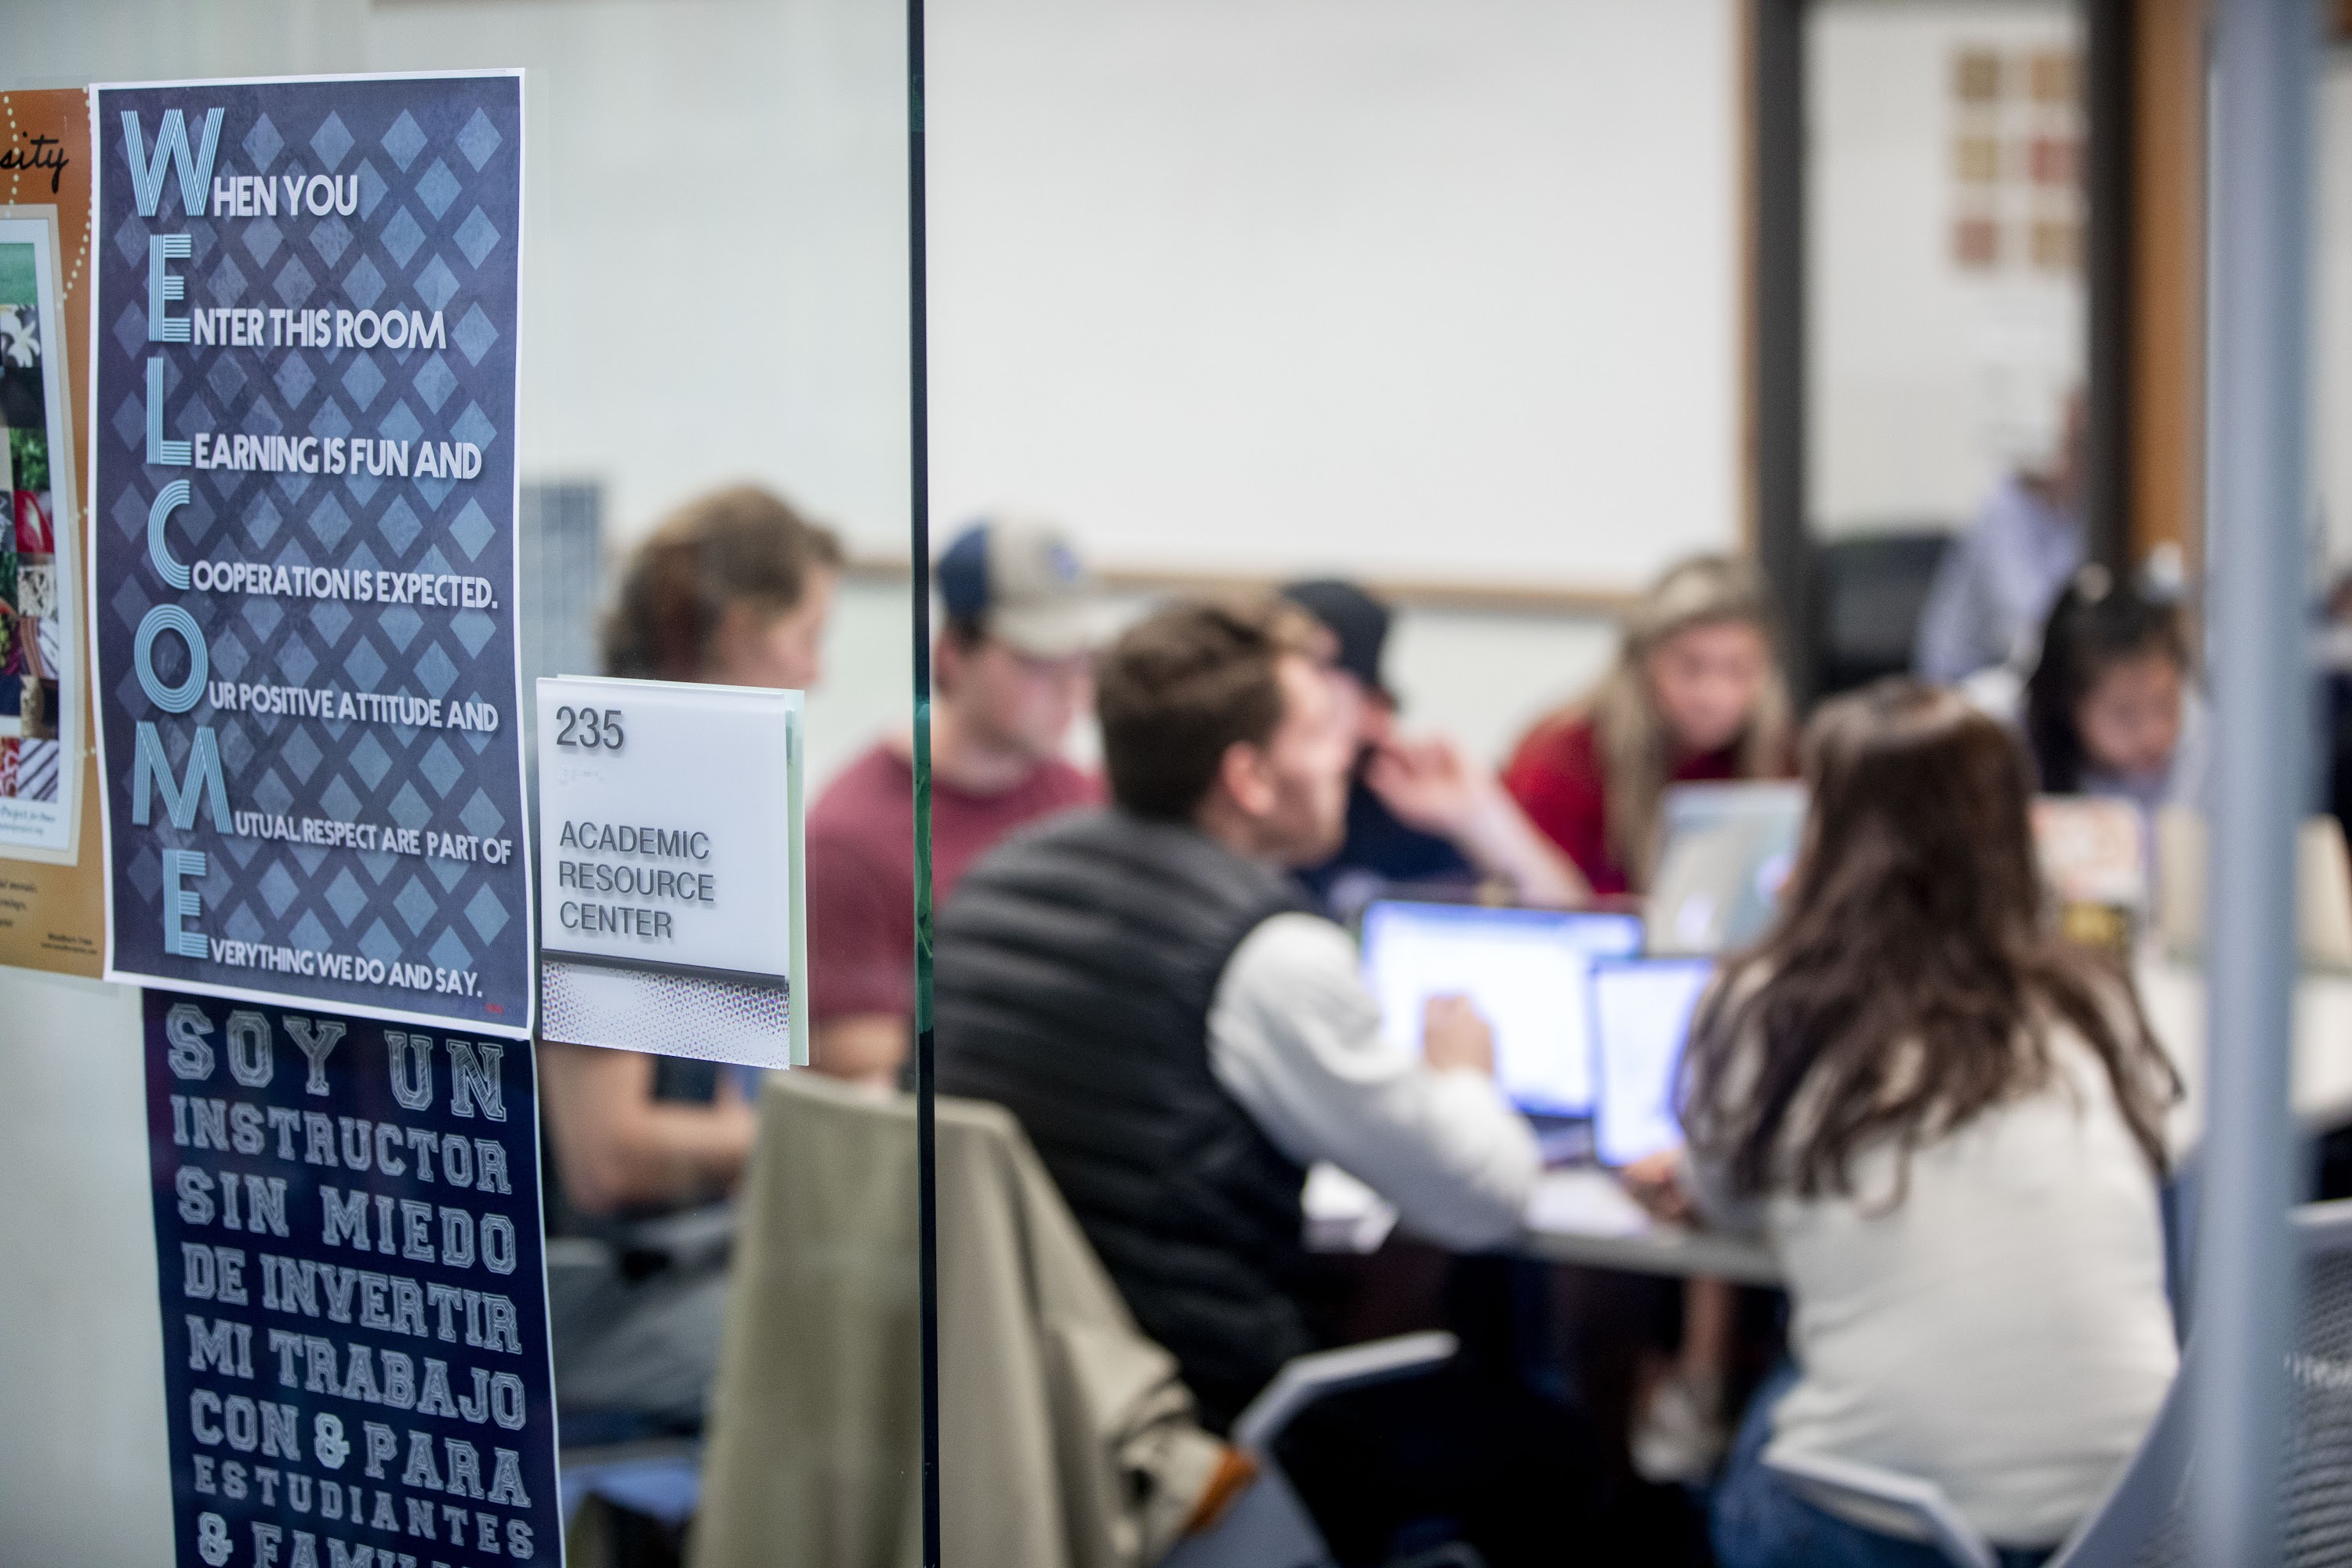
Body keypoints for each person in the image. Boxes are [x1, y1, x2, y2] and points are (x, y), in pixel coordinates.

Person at [935, 600, 1591, 1564]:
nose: (1345, 760)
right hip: (1196, 1421)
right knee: (1556, 1452)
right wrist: (1465, 1079)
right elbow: (1483, 1196)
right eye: (1323, 736)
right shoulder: (1269, 955)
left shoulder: (995, 881)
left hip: (1005, 1393)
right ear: (1247, 776)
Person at [1635, 680, 2179, 1567]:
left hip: (1893, 1528)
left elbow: (1726, 1201)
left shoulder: (1771, 1002)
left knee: (1756, 1440)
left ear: (1832, 835)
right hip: (2137, 1513)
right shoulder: (2090, 997)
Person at [536, 484, 843, 1436]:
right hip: (585, 1298)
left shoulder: (671, 787)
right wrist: (832, 1136)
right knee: (875, 1374)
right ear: (743, 632)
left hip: (659, 1259)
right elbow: (611, 1156)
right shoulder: (634, 798)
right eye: (809, 637)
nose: (818, 675)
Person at [805, 519, 1099, 1084]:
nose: (1072, 689)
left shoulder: (1087, 798)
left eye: (1082, 659)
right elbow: (853, 1066)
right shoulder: (849, 840)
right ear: (951, 655)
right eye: (1039, 660)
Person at [1281, 578, 1582, 916]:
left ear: (1375, 710)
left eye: (1317, 682)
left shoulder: (1404, 808)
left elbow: (1573, 921)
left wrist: (1481, 818)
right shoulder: (1235, 804)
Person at [1502, 554, 1793, 899]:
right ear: (1641, 665)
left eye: (1738, 669)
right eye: (1690, 667)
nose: (1715, 695)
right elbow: (1542, 913)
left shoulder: (1779, 753)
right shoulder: (1560, 757)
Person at [1915, 393, 2088, 684]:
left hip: (2031, 677)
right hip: (1962, 682)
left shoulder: (2081, 513)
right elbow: (2027, 621)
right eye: (2075, 445)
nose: (2079, 460)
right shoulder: (2002, 508)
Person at [2023, 567, 2205, 812]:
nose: (2152, 733)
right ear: (2068, 704)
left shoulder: (2205, 746)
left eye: (2166, 705)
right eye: (2125, 714)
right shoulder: (2020, 750)